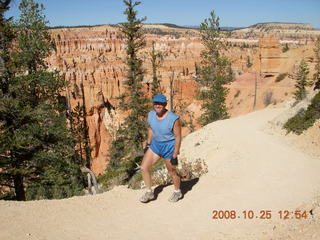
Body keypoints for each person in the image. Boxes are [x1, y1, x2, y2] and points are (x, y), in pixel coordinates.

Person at [140, 94, 182, 203]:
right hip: (156, 145)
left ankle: (177, 192)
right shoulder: (151, 115)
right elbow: (150, 129)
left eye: (161, 103)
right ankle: (149, 192)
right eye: (156, 103)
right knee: (144, 167)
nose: (158, 105)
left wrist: (175, 153)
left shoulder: (173, 118)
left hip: (169, 147)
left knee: (172, 172)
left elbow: (178, 137)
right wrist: (148, 143)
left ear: (165, 104)